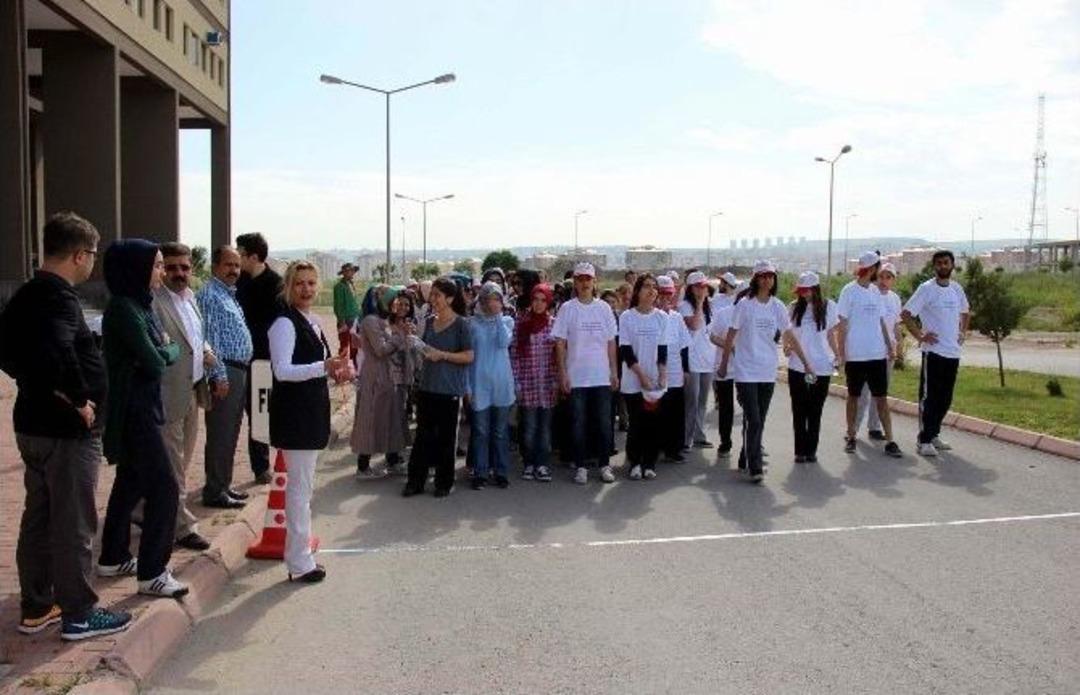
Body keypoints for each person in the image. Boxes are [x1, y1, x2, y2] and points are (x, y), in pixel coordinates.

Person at [0, 211, 132, 640]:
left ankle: (38, 605)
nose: (92, 262)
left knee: (39, 516)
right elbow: (58, 350)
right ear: (80, 254)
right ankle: (79, 613)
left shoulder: (24, 295)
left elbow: (10, 353)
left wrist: (35, 384)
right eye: (92, 254)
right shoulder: (59, 298)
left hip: (32, 427)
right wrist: (78, 400)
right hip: (66, 434)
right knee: (74, 522)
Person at [97, 239, 188, 598]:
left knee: (130, 482)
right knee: (164, 487)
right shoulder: (123, 309)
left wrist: (164, 349)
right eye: (156, 266)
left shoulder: (142, 306)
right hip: (133, 411)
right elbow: (155, 358)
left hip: (147, 404)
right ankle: (153, 571)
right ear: (135, 269)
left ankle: (113, 555)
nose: (162, 272)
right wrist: (165, 349)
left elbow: (162, 350)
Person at [268, 261, 351, 583]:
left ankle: (301, 553)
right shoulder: (284, 324)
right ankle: (300, 561)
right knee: (299, 492)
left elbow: (320, 367)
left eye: (312, 283)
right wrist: (322, 366)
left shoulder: (312, 321)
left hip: (311, 411)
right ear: (289, 286)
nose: (307, 289)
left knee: (304, 490)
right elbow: (282, 371)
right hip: (295, 415)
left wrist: (337, 370)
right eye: (300, 283)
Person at [718, 260, 813, 483]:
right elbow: (731, 335)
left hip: (766, 370)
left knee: (759, 419)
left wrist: (807, 363)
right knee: (753, 418)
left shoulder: (778, 306)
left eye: (770, 276)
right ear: (755, 279)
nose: (767, 279)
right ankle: (756, 466)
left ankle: (745, 456)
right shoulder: (744, 305)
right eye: (763, 276)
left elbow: (790, 336)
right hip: (745, 370)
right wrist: (724, 364)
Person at [151, 242, 214, 550]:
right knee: (174, 465)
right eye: (171, 267)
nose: (178, 273)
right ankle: (182, 527)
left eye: (184, 268)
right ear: (162, 269)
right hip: (168, 394)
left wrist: (206, 350)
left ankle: (141, 510)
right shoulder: (153, 302)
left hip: (193, 390)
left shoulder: (190, 299)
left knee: (182, 460)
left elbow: (194, 338)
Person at [404, 277, 475, 497]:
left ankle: (444, 482)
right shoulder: (431, 321)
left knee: (446, 439)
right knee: (423, 438)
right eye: (431, 294)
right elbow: (425, 351)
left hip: (450, 390)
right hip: (427, 387)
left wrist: (442, 355)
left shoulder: (462, 324)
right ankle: (415, 481)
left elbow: (469, 356)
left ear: (450, 298)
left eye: (437, 295)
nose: (432, 299)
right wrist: (414, 341)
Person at [196, 247, 254, 508]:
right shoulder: (210, 295)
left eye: (237, 265)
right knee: (221, 432)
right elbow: (210, 340)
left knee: (231, 432)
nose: (234, 270)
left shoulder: (228, 294)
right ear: (215, 266)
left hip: (239, 369)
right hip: (225, 370)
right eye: (228, 265)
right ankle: (215, 490)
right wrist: (218, 375)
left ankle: (224, 485)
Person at [552, 262, 619, 484]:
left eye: (587, 279)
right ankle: (580, 466)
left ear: (594, 281)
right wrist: (563, 374)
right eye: (579, 279)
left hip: (600, 376)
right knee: (578, 423)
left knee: (603, 422)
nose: (584, 283)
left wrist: (614, 371)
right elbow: (560, 344)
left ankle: (604, 464)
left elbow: (611, 343)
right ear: (575, 282)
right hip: (577, 376)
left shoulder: (604, 308)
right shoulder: (567, 308)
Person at [901, 250, 970, 457]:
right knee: (929, 398)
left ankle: (934, 435)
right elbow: (906, 314)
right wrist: (920, 336)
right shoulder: (926, 289)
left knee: (945, 398)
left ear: (952, 265)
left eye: (946, 262)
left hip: (952, 353)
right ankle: (923, 440)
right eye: (939, 263)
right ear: (934, 267)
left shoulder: (956, 289)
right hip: (933, 352)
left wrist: (962, 332)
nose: (942, 266)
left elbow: (966, 311)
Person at [837, 251, 902, 458]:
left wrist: (889, 346)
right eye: (878, 268)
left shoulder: (875, 291)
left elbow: (882, 321)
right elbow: (842, 323)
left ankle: (890, 439)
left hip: (876, 355)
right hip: (856, 355)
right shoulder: (849, 291)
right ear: (872, 269)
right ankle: (851, 435)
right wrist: (842, 354)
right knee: (854, 397)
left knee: (881, 398)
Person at [235, 232, 283, 484]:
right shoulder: (237, 281)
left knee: (260, 414)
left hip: (263, 361)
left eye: (240, 253)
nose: (237, 258)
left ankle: (261, 467)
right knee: (232, 417)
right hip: (235, 360)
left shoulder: (275, 284)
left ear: (253, 256)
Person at [350, 286, 412, 478]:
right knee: (370, 421)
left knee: (391, 419)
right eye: (392, 300)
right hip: (375, 378)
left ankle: (393, 460)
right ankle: (363, 466)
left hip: (388, 377)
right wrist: (399, 336)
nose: (396, 304)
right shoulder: (370, 321)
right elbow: (381, 349)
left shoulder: (383, 321)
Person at [619, 274, 670, 480]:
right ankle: (635, 462)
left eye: (654, 287)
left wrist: (663, 374)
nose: (651, 290)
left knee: (653, 422)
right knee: (637, 421)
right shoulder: (627, 317)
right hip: (634, 380)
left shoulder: (662, 318)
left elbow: (663, 349)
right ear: (638, 291)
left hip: (655, 381)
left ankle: (650, 462)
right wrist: (641, 376)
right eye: (647, 286)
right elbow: (626, 351)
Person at [785, 272, 839, 463]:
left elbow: (831, 334)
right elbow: (787, 332)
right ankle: (800, 450)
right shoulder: (793, 308)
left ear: (815, 289)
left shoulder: (829, 307)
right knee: (799, 408)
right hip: (798, 366)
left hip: (822, 365)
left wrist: (838, 355)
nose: (802, 294)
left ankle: (811, 449)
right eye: (800, 291)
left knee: (815, 409)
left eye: (805, 290)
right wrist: (786, 346)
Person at [468, 282, 516, 490]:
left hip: (501, 384)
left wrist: (497, 317)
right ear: (482, 301)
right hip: (479, 383)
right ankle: (480, 471)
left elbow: (503, 342)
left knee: (500, 431)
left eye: (497, 299)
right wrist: (467, 388)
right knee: (480, 431)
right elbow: (468, 356)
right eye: (489, 299)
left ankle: (501, 471)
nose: (492, 303)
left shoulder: (506, 321)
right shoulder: (471, 324)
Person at [512, 283, 558, 482]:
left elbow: (559, 354)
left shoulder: (554, 324)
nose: (539, 304)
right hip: (528, 383)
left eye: (543, 300)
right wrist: (517, 382)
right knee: (529, 427)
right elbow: (514, 355)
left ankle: (542, 464)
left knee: (545, 428)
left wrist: (557, 380)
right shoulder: (520, 324)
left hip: (547, 384)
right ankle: (529, 463)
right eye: (535, 299)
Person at [855, 262, 902, 440]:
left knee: (880, 393)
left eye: (888, 277)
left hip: (887, 354)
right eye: (881, 276)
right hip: (869, 351)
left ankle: (874, 427)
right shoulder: (869, 294)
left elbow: (896, 325)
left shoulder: (895, 299)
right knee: (862, 393)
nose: (884, 280)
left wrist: (898, 346)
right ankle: (853, 428)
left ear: (893, 280)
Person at [680, 270, 716, 449]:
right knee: (691, 401)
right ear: (691, 288)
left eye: (704, 286)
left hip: (707, 360)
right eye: (699, 286)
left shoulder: (711, 307)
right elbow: (694, 324)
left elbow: (711, 332)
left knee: (702, 400)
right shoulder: (685, 305)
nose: (703, 289)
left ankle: (699, 434)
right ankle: (686, 439)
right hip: (692, 360)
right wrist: (701, 302)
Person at [657, 274, 690, 462]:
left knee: (676, 413)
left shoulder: (677, 317)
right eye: (661, 293)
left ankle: (674, 449)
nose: (665, 297)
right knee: (657, 412)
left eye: (668, 294)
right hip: (656, 373)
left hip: (676, 371)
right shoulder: (649, 316)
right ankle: (656, 446)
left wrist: (685, 370)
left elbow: (684, 345)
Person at [708, 295, 736, 457]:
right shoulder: (724, 313)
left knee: (750, 407)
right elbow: (712, 336)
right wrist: (730, 346)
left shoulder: (758, 313)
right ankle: (725, 443)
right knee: (726, 407)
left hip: (747, 368)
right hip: (724, 367)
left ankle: (753, 445)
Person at [333, 263, 361, 360]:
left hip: (355, 319)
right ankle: (342, 369)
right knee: (344, 346)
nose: (351, 273)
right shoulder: (339, 286)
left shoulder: (351, 284)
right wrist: (342, 322)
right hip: (346, 320)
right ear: (344, 273)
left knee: (355, 345)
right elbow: (338, 306)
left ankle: (353, 368)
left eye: (352, 271)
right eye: (348, 271)